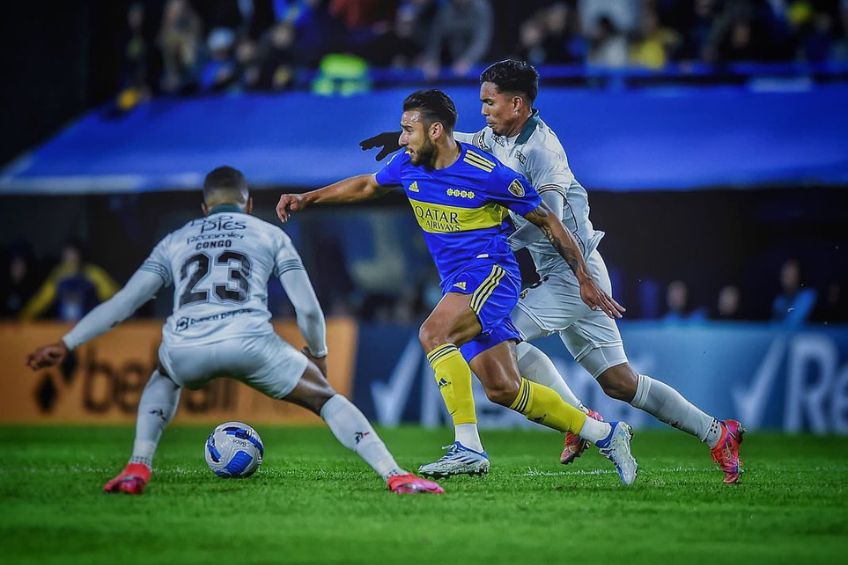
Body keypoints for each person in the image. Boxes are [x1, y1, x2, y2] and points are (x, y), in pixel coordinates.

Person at [360, 61, 744, 484]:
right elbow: (460, 139)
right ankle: (716, 432)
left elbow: (551, 217)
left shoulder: (543, 151)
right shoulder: (497, 136)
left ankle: (580, 423)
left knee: (491, 334)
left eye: (490, 102)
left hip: (573, 274)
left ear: (518, 103)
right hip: (567, 273)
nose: (483, 110)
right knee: (621, 382)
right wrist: (404, 139)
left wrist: (496, 233)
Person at [277, 89, 638, 485]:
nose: (400, 139)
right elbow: (366, 185)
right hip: (459, 282)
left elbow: (550, 222)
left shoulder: (488, 173)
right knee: (503, 388)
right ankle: (605, 434)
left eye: (407, 130)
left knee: (434, 332)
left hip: (491, 274)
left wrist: (584, 279)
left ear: (435, 131)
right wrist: (307, 198)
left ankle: (469, 448)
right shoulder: (408, 165)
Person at [25, 166, 443, 496]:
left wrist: (66, 342)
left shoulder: (177, 239)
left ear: (205, 208)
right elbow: (308, 307)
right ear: (248, 205)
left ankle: (138, 465)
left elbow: (123, 305)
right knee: (327, 399)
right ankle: (395, 475)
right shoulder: (268, 233)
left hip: (186, 342)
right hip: (251, 342)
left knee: (164, 376)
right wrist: (316, 355)